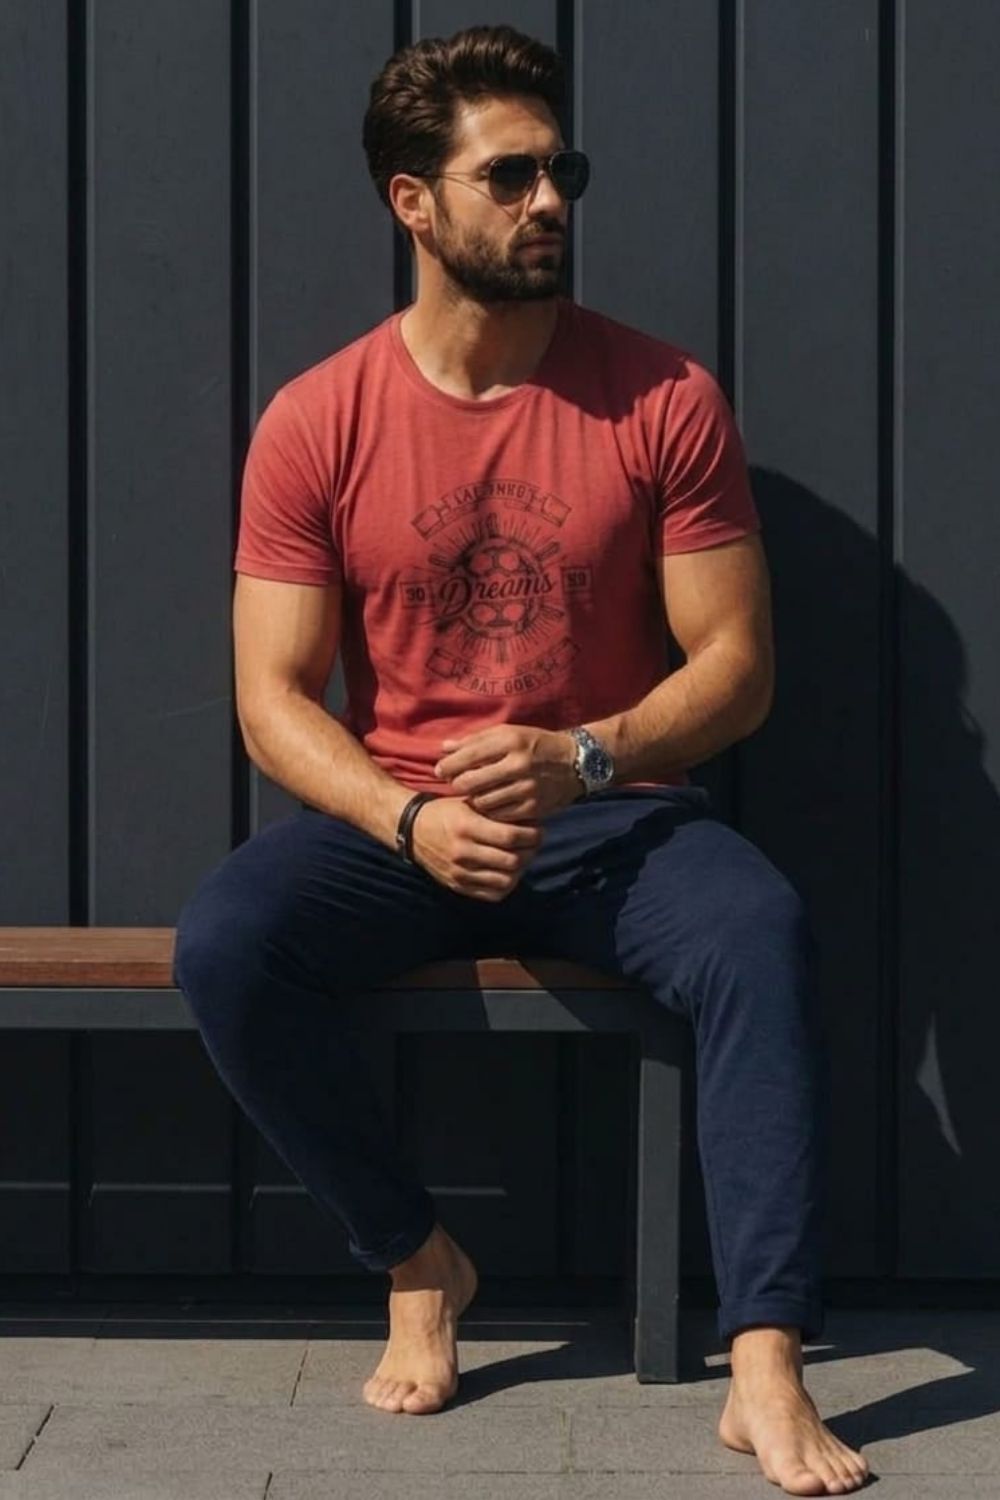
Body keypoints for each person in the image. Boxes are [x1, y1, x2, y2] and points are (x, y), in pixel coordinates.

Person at [172, 23, 869, 1496]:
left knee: (758, 932)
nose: (550, 199)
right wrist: (404, 817)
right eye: (510, 176)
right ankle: (417, 1260)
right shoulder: (319, 421)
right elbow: (272, 700)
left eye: (563, 170)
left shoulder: (662, 397)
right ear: (414, 203)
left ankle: (765, 1362)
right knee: (228, 942)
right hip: (407, 826)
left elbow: (737, 668)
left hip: (613, 817)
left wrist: (588, 757)